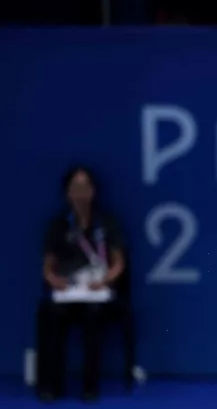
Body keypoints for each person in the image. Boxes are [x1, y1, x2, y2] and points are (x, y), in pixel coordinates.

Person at [38, 167, 126, 401]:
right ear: (67, 193)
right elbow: (48, 266)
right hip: (68, 291)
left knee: (93, 315)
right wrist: (54, 280)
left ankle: (90, 386)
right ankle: (51, 385)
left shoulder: (106, 222)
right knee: (50, 314)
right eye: (75, 188)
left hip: (98, 291)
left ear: (93, 191)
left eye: (85, 187)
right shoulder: (58, 225)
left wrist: (105, 281)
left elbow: (119, 264)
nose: (81, 192)